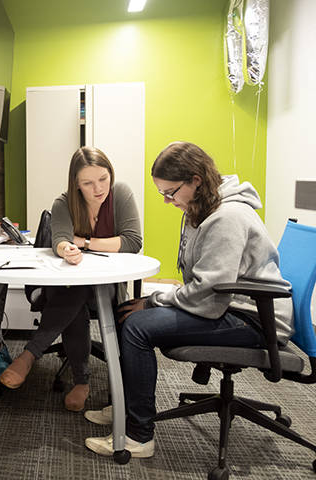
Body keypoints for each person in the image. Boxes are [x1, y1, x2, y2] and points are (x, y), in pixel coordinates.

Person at [84, 142, 293, 458]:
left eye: (171, 192)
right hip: (226, 305)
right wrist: (155, 301)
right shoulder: (201, 208)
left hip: (253, 318)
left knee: (138, 326)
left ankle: (139, 437)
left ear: (196, 180)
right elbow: (203, 285)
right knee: (124, 311)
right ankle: (123, 407)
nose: (168, 201)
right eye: (162, 194)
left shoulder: (228, 217)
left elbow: (209, 290)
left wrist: (154, 301)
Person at [0, 146, 142, 411]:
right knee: (74, 294)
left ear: (111, 174)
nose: (98, 188)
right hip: (68, 286)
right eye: (88, 183)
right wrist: (68, 249)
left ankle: (30, 354)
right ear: (76, 184)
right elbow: (60, 240)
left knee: (77, 291)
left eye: (103, 178)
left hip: (106, 288)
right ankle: (81, 382)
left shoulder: (120, 193)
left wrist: (85, 242)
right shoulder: (64, 202)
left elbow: (133, 242)